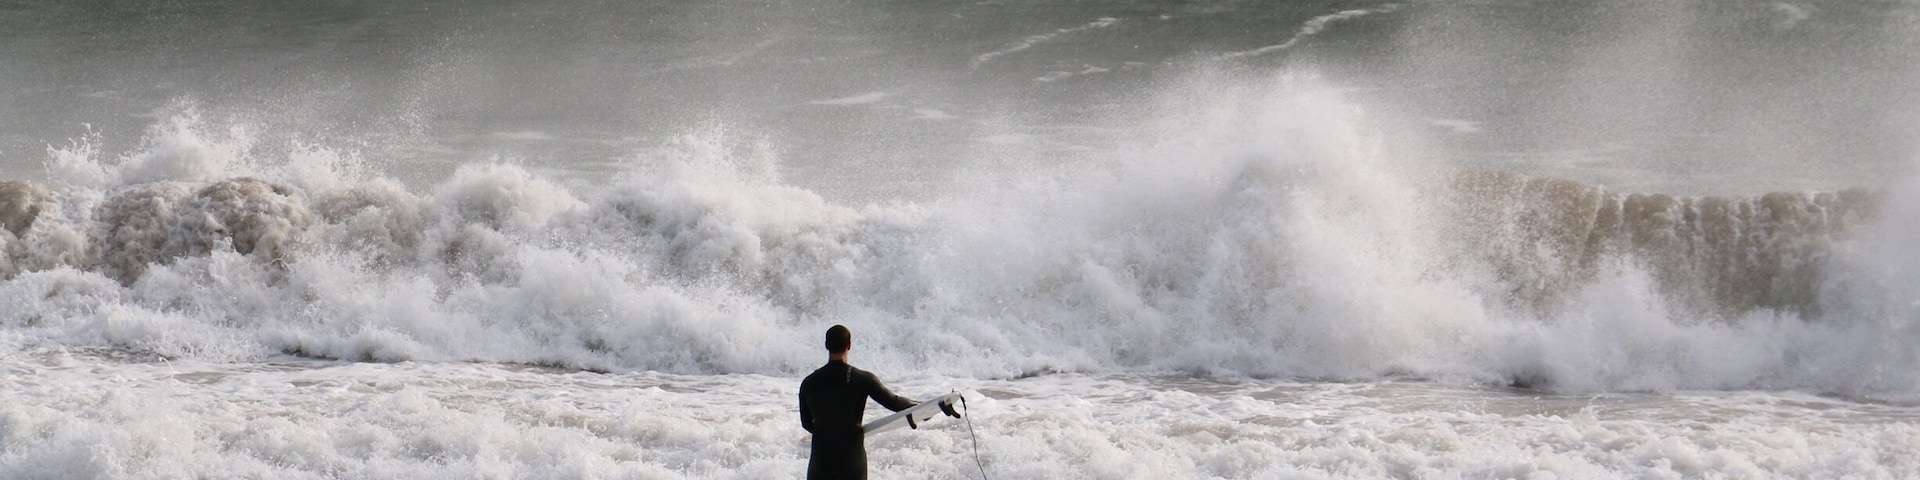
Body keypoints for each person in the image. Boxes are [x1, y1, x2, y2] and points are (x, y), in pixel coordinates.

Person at [797, 324, 917, 480]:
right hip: (851, 458)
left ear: (826, 345)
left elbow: (806, 423)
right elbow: (894, 403)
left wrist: (830, 433)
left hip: (821, 459)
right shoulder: (862, 378)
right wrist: (925, 409)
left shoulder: (809, 382)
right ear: (849, 345)